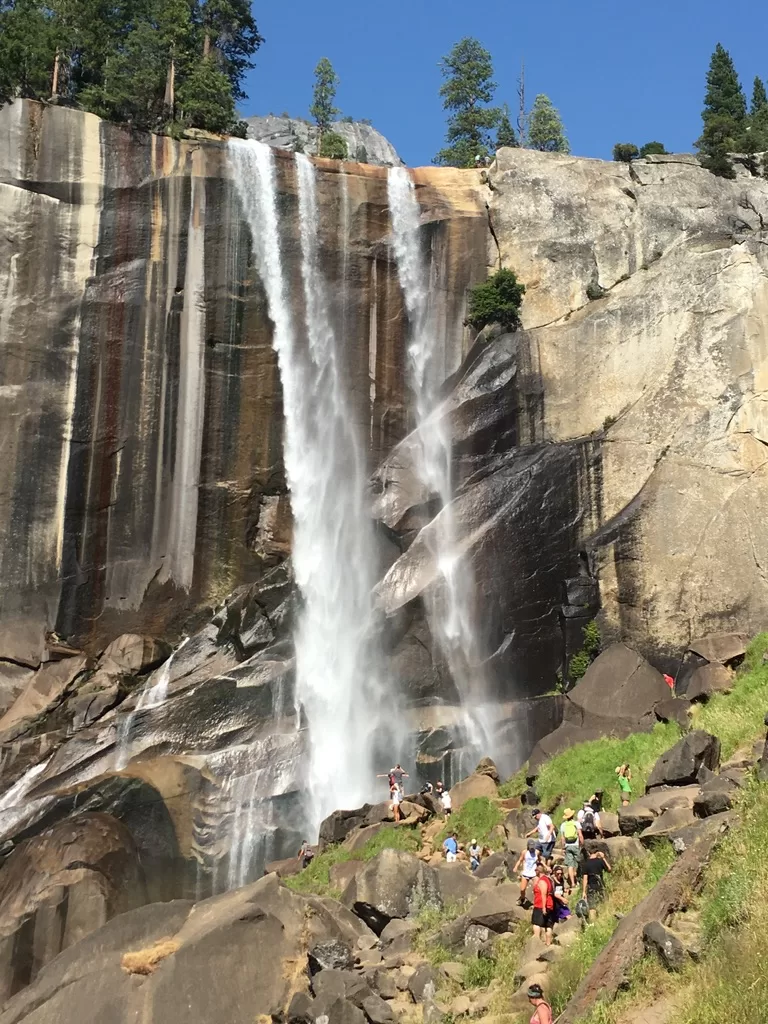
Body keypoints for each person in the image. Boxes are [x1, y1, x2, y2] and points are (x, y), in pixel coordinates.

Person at [581, 848, 612, 923]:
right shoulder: (600, 861)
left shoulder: (586, 864)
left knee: (592, 907)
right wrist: (603, 858)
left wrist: (584, 892)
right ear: (597, 853)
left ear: (589, 853)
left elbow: (585, 879)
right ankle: (604, 921)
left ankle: (593, 924)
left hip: (591, 887)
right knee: (603, 904)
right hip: (600, 885)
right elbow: (609, 869)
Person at [558, 808, 582, 891]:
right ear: (572, 815)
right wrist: (582, 844)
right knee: (579, 862)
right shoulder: (576, 823)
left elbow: (562, 838)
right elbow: (580, 835)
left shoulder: (563, 825)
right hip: (576, 845)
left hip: (568, 846)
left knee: (570, 865)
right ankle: (578, 879)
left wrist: (563, 847)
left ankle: (572, 883)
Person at [531, 862, 555, 945]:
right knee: (548, 926)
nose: (534, 871)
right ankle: (548, 943)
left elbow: (544, 894)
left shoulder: (542, 881)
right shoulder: (549, 879)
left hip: (541, 905)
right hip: (550, 905)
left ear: (538, 871)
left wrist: (544, 907)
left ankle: (536, 943)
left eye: (535, 870)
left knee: (536, 923)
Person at [512, 839, 540, 906]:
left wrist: (545, 867)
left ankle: (537, 902)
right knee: (522, 889)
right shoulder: (524, 852)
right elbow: (520, 860)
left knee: (537, 888)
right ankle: (522, 898)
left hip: (534, 873)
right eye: (530, 847)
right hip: (526, 873)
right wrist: (516, 867)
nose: (532, 849)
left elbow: (540, 860)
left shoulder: (537, 852)